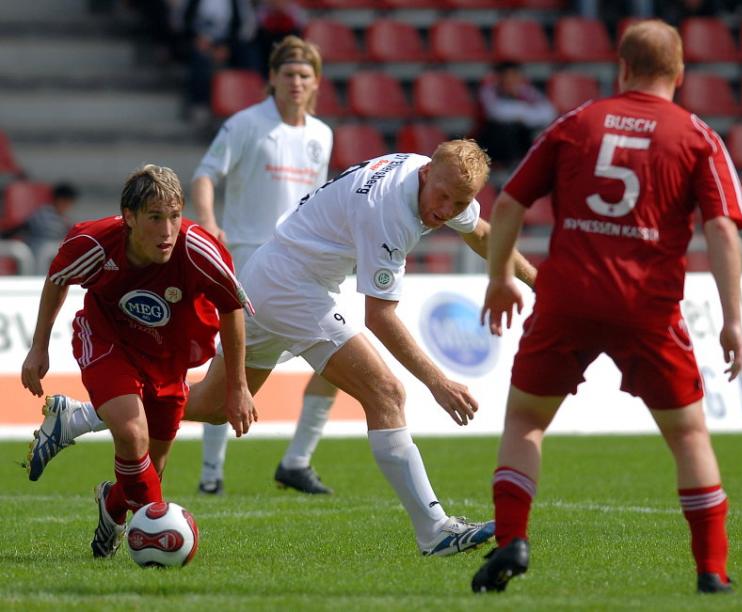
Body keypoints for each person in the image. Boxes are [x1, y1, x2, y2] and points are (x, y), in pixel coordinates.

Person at [27, 140, 539, 557]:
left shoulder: (435, 176)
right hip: (294, 287)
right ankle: (434, 530)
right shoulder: (391, 210)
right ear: (427, 173)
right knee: (387, 393)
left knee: (210, 405)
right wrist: (438, 381)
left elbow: (480, 233)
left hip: (274, 276)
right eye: (442, 198)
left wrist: (540, 282)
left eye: (456, 204)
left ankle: (77, 418)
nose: (444, 212)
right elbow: (379, 316)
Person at [471, 20, 742, 594]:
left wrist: (500, 278)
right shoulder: (696, 135)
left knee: (526, 421)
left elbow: (509, 203)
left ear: (621, 68)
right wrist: (732, 320)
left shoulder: (577, 123)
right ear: (680, 72)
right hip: (648, 308)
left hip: (568, 297)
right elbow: (722, 229)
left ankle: (512, 540)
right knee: (689, 437)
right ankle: (712, 570)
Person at [21, 164, 255, 558]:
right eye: (155, 218)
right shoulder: (94, 244)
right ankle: (164, 539)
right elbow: (58, 278)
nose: (167, 231)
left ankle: (111, 504)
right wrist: (38, 346)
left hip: (168, 357)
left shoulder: (198, 251)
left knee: (146, 472)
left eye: (175, 216)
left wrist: (238, 386)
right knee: (132, 436)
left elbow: (232, 308)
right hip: (107, 339)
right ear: (129, 217)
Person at [191, 34, 335, 496]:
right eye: (288, 74)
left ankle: (297, 461)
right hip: (250, 261)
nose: (296, 83)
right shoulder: (246, 124)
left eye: (305, 75)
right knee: (229, 370)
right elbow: (205, 175)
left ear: (316, 82)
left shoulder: (322, 135)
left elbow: (317, 203)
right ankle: (211, 472)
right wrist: (209, 222)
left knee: (338, 357)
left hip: (302, 266)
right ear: (272, 78)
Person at [476, 62, 557, 167]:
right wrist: (524, 112)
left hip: (520, 134)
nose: (512, 81)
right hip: (492, 138)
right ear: (500, 78)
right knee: (506, 128)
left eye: (515, 76)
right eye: (508, 77)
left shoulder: (526, 91)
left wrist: (522, 115)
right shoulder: (489, 90)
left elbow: (548, 112)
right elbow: (495, 112)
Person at [18, 182, 78, 256]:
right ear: (59, 200)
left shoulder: (64, 218)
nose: (68, 206)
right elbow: (50, 235)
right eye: (67, 202)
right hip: (37, 250)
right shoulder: (43, 214)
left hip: (48, 251)